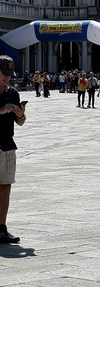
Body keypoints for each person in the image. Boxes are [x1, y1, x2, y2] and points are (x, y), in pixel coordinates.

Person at [0, 55, 27, 244]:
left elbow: (20, 123)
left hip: (7, 145)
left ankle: (1, 228)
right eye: (4, 73)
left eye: (10, 74)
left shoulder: (13, 93)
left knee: (5, 187)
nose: (7, 77)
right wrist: (0, 110)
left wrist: (21, 115)